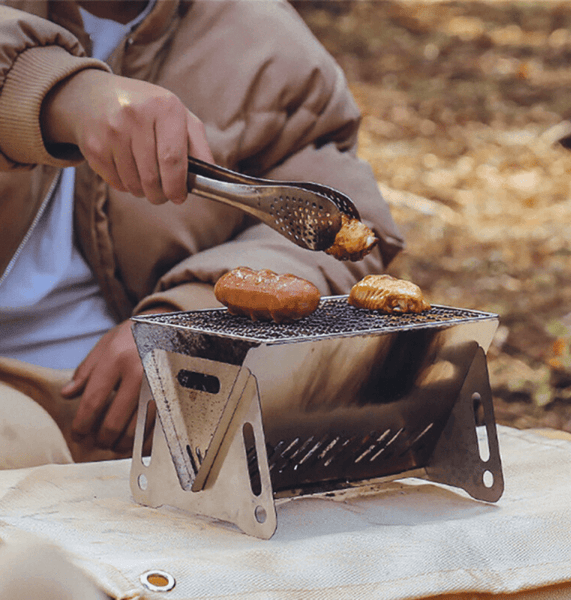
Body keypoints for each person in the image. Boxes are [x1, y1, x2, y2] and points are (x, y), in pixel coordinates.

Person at [0, 0, 403, 468]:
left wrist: (192, 318)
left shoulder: (264, 41)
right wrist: (57, 93)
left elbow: (344, 237)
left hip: (127, 411)